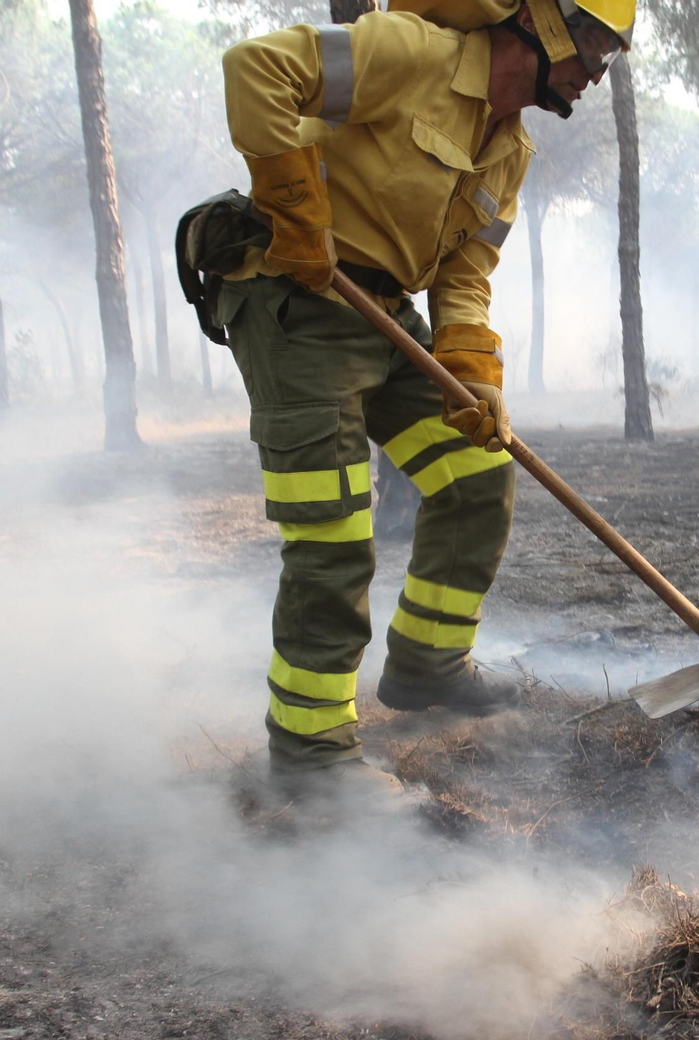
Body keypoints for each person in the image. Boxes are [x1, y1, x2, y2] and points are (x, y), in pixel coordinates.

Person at [216, 0, 636, 802]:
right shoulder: (412, 53)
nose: (594, 75)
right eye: (594, 47)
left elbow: (466, 276)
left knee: (478, 476)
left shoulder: (509, 150)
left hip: (384, 314)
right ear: (545, 24)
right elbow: (256, 71)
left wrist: (473, 369)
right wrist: (294, 202)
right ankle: (311, 758)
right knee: (335, 533)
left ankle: (426, 665)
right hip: (297, 297)